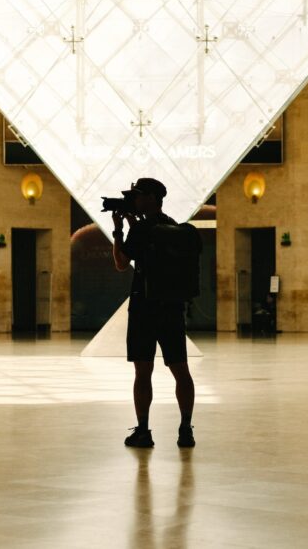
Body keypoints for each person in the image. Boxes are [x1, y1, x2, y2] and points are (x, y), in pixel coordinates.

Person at [111, 177, 196, 449]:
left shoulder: (141, 230)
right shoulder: (172, 225)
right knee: (181, 370)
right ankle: (185, 429)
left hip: (144, 308)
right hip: (171, 307)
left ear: (149, 198)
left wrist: (118, 231)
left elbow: (122, 263)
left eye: (137, 195)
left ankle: (144, 431)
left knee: (143, 372)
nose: (134, 200)